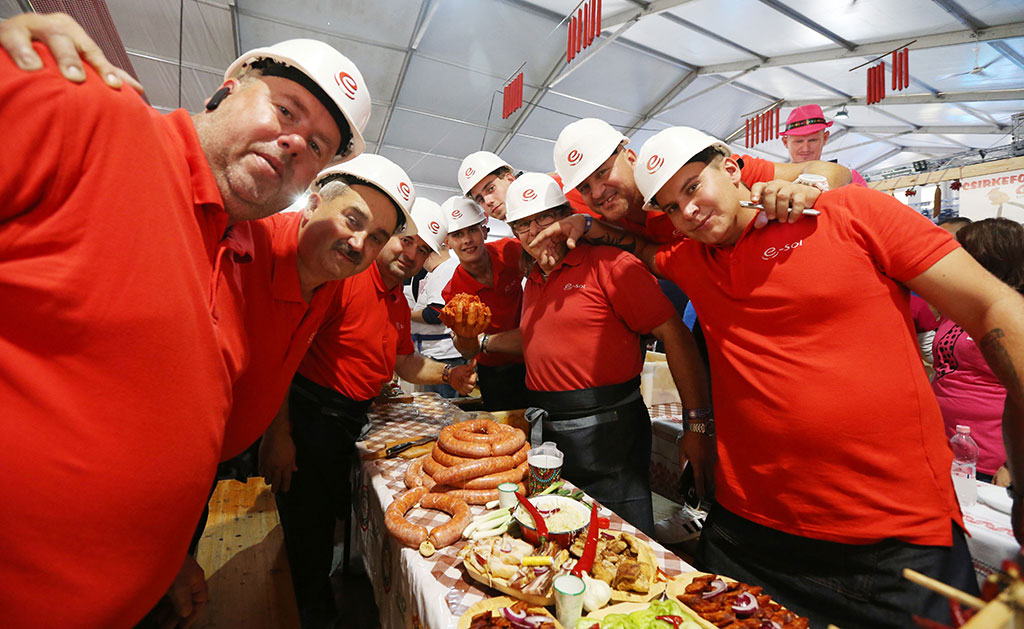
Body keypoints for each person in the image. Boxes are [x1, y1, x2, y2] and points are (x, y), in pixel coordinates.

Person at [534, 126, 1024, 627]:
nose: (689, 211)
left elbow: (993, 306)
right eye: (673, 207)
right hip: (746, 533)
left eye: (693, 187)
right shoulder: (691, 258)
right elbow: (642, 249)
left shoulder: (848, 212)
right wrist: (584, 226)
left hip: (888, 540)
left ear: (732, 168)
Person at [0, 12, 371, 626]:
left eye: (317, 147)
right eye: (286, 110)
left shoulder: (239, 249)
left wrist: (168, 552)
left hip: (144, 592)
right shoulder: (95, 117)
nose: (294, 143)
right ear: (225, 91)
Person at [260, 199, 476, 627]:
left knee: (329, 518)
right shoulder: (345, 280)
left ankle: (332, 593)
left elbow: (405, 362)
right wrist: (277, 434)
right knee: (308, 528)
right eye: (405, 241)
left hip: (348, 420)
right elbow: (284, 354)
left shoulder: (395, 298)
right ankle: (309, 615)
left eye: (421, 250)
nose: (411, 255)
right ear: (386, 236)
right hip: (311, 416)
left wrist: (449, 374)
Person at [500, 173, 710, 535]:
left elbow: (675, 335)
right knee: (558, 533)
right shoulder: (532, 278)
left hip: (611, 433)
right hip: (550, 431)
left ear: (565, 217)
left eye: (545, 218)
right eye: (523, 224)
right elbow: (541, 338)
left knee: (622, 539)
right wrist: (482, 343)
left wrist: (697, 425)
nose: (535, 231)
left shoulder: (612, 265)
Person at [553, 117, 854, 244]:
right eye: (584, 186)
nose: (597, 192)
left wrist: (804, 188)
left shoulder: (695, 167)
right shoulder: (587, 205)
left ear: (630, 158)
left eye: (603, 172)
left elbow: (834, 171)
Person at [932, 218, 1024, 482]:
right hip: (943, 444)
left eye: (963, 253)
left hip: (992, 458)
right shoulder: (958, 302)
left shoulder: (1015, 312)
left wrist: (1012, 464)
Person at [437, 197, 530, 410]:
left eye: (472, 230)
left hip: (532, 358)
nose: (467, 240)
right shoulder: (455, 293)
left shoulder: (510, 251)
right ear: (448, 243)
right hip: (493, 370)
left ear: (485, 231)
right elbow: (468, 351)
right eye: (458, 234)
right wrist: (468, 339)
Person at [457, 150, 590, 239]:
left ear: (510, 179)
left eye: (491, 189)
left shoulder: (555, 186)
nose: (488, 201)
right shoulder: (519, 233)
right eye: (480, 199)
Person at [780, 104, 868, 186]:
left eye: (813, 140)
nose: (805, 148)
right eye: (798, 141)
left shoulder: (848, 177)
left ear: (825, 138)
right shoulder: (775, 178)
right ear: (785, 142)